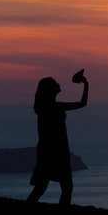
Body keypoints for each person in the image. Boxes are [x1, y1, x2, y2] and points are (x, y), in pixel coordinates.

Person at [26, 73, 89, 205]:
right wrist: (85, 84)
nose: (58, 84)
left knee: (54, 187)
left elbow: (82, 104)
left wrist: (86, 84)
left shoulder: (50, 107)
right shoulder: (50, 108)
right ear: (49, 89)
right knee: (47, 188)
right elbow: (82, 104)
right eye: (55, 83)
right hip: (53, 151)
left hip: (56, 150)